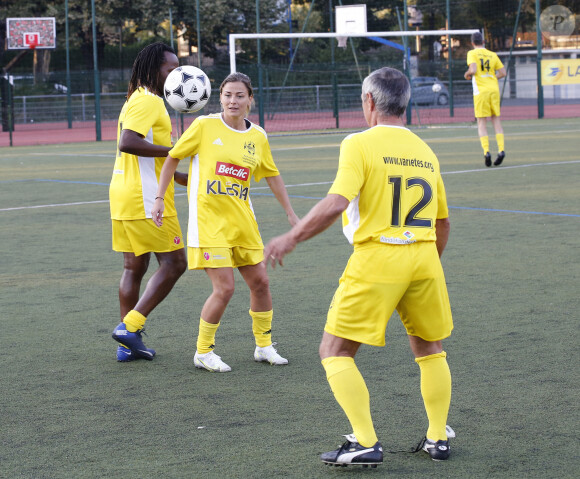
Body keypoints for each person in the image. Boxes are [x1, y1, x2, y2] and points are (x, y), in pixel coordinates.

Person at [264, 67, 454, 467]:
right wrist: (423, 265)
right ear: (406, 102)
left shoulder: (359, 143)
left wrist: (291, 236)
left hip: (378, 257)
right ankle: (438, 437)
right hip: (424, 258)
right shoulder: (425, 150)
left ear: (369, 101)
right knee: (429, 349)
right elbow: (443, 223)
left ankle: (365, 442)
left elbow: (336, 201)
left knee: (334, 350)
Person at [151, 72, 299, 373]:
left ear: (250, 100)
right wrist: (158, 198)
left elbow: (271, 174)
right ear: (219, 97)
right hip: (209, 224)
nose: (233, 100)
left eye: (239, 95)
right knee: (225, 288)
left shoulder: (258, 136)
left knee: (261, 283)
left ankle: (264, 346)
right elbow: (171, 158)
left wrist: (290, 213)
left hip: (243, 223)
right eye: (228, 95)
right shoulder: (204, 126)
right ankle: (203, 352)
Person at [110, 42, 188, 361]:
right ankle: (130, 327)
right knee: (175, 263)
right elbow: (128, 142)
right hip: (144, 198)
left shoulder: (136, 99)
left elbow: (156, 157)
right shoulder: (150, 101)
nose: (174, 77)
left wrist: (185, 177)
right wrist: (176, 150)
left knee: (135, 266)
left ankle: (127, 344)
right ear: (153, 69)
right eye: (170, 70)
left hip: (124, 193)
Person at [464, 31, 507, 167]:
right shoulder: (492, 54)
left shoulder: (472, 53)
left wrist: (467, 74)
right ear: (483, 42)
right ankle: (501, 150)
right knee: (496, 121)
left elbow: (474, 69)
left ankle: (486, 152)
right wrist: (492, 77)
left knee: (481, 123)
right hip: (493, 90)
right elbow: (503, 73)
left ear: (472, 43)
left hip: (481, 92)